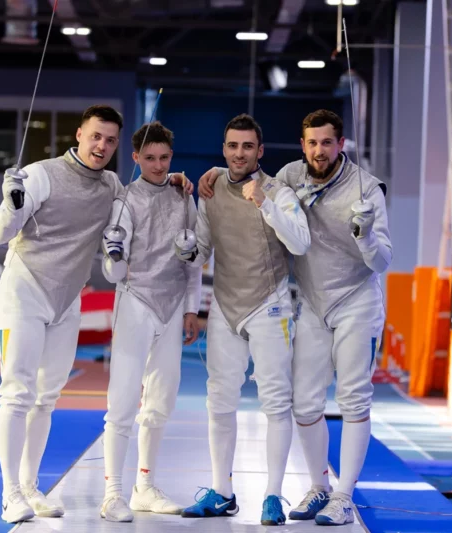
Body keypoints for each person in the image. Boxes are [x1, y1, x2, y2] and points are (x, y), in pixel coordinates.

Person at [0, 104, 192, 524]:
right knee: (17, 392)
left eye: (110, 140)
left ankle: (30, 486)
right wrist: (10, 204)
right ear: (79, 134)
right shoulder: (42, 174)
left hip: (67, 300)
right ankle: (10, 494)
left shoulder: (112, 186)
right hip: (24, 291)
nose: (101, 145)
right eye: (95, 136)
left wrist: (173, 179)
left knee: (47, 397)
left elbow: (146, 188)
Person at [197, 109, 392, 527]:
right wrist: (213, 173)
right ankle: (319, 485)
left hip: (357, 301)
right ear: (302, 145)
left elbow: (382, 261)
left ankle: (343, 496)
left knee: (353, 397)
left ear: (341, 144)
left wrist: (366, 235)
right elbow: (249, 173)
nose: (319, 151)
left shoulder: (367, 189)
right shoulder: (290, 175)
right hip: (312, 302)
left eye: (327, 142)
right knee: (303, 403)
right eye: (312, 143)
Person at [177, 114, 311, 526]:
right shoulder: (211, 188)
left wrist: (264, 202)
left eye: (247, 146)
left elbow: (300, 242)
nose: (239, 154)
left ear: (260, 151)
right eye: (233, 146)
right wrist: (186, 249)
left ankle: (272, 496)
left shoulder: (278, 191)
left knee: (276, 401)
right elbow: (201, 250)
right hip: (225, 306)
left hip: (270, 305)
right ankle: (222, 492)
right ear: (223, 150)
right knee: (219, 398)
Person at [98, 121, 202, 522]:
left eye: (164, 158)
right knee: (123, 400)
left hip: (172, 307)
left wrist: (192, 308)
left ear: (171, 157)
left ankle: (144, 486)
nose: (158, 166)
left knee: (160, 401)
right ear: (136, 157)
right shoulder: (125, 201)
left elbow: (194, 262)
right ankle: (112, 494)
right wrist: (114, 253)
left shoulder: (183, 196)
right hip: (135, 301)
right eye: (150, 158)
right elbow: (113, 273)